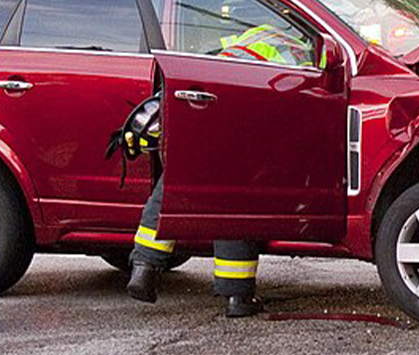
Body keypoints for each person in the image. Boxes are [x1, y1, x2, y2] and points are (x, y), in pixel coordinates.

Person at [122, 20, 310, 319]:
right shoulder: (303, 49)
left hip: (201, 108)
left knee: (173, 189)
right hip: (236, 117)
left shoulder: (256, 33)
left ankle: (143, 268)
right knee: (233, 205)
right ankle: (237, 297)